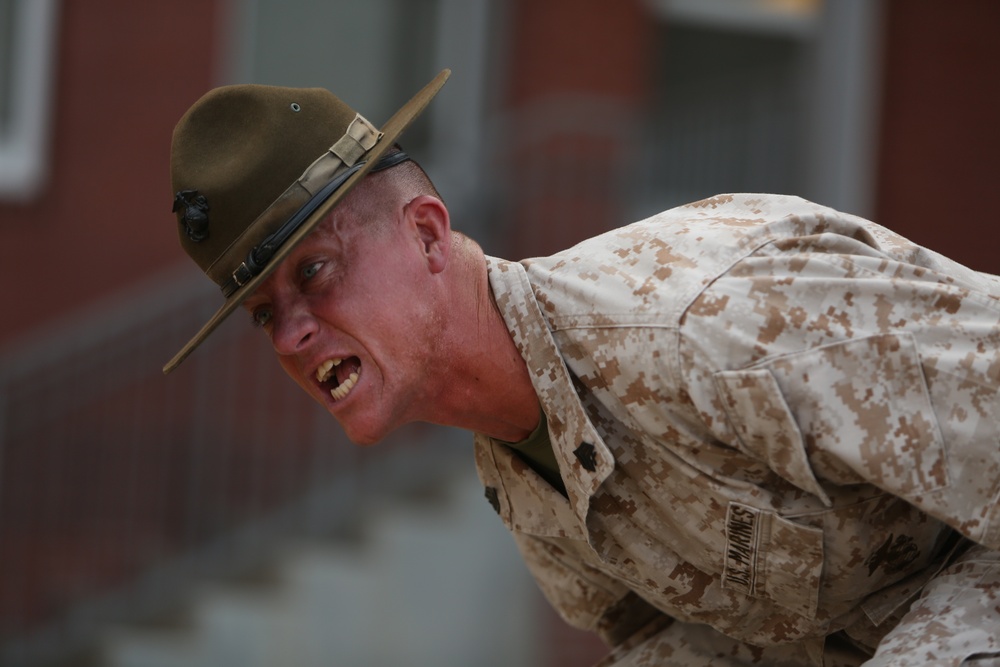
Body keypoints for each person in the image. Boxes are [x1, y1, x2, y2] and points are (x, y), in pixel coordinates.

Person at [164, 70, 1000, 665]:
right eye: (264, 313)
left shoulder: (707, 325)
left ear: (425, 233)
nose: (290, 336)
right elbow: (681, 643)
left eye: (314, 271)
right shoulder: (516, 468)